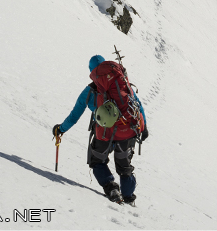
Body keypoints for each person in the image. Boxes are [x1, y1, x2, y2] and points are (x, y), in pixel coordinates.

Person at [52, 55, 148, 205]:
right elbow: (138, 104)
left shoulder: (89, 91)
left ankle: (111, 188)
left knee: (97, 160)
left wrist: (61, 129)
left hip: (104, 133)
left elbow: (74, 116)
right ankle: (129, 198)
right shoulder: (121, 83)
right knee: (124, 166)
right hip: (127, 130)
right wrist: (144, 127)